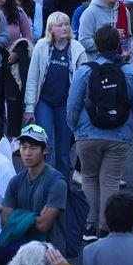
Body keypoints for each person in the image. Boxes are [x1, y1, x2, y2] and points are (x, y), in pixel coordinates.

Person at [65, 24, 133, 239]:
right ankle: (107, 226)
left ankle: (89, 225)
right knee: (110, 180)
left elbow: (73, 104)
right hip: (120, 134)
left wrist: (75, 128)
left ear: (96, 44)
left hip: (87, 133)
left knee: (89, 178)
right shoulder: (130, 72)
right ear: (118, 44)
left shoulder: (85, 70)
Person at [22, 12, 85, 176]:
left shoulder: (77, 48)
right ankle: (44, 181)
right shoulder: (41, 46)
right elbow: (33, 78)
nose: (65, 28)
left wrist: (80, 107)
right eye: (60, 25)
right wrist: (29, 108)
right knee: (45, 144)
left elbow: (84, 80)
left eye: (67, 24)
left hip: (66, 103)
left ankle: (63, 184)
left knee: (64, 149)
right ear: (51, 28)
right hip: (45, 102)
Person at [2, 124, 67, 255]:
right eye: (23, 147)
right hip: (21, 254)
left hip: (51, 255)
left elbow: (43, 225)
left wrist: (17, 217)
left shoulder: (57, 183)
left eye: (33, 147)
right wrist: (33, 217)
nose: (27, 153)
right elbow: (5, 222)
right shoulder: (15, 181)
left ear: (45, 150)